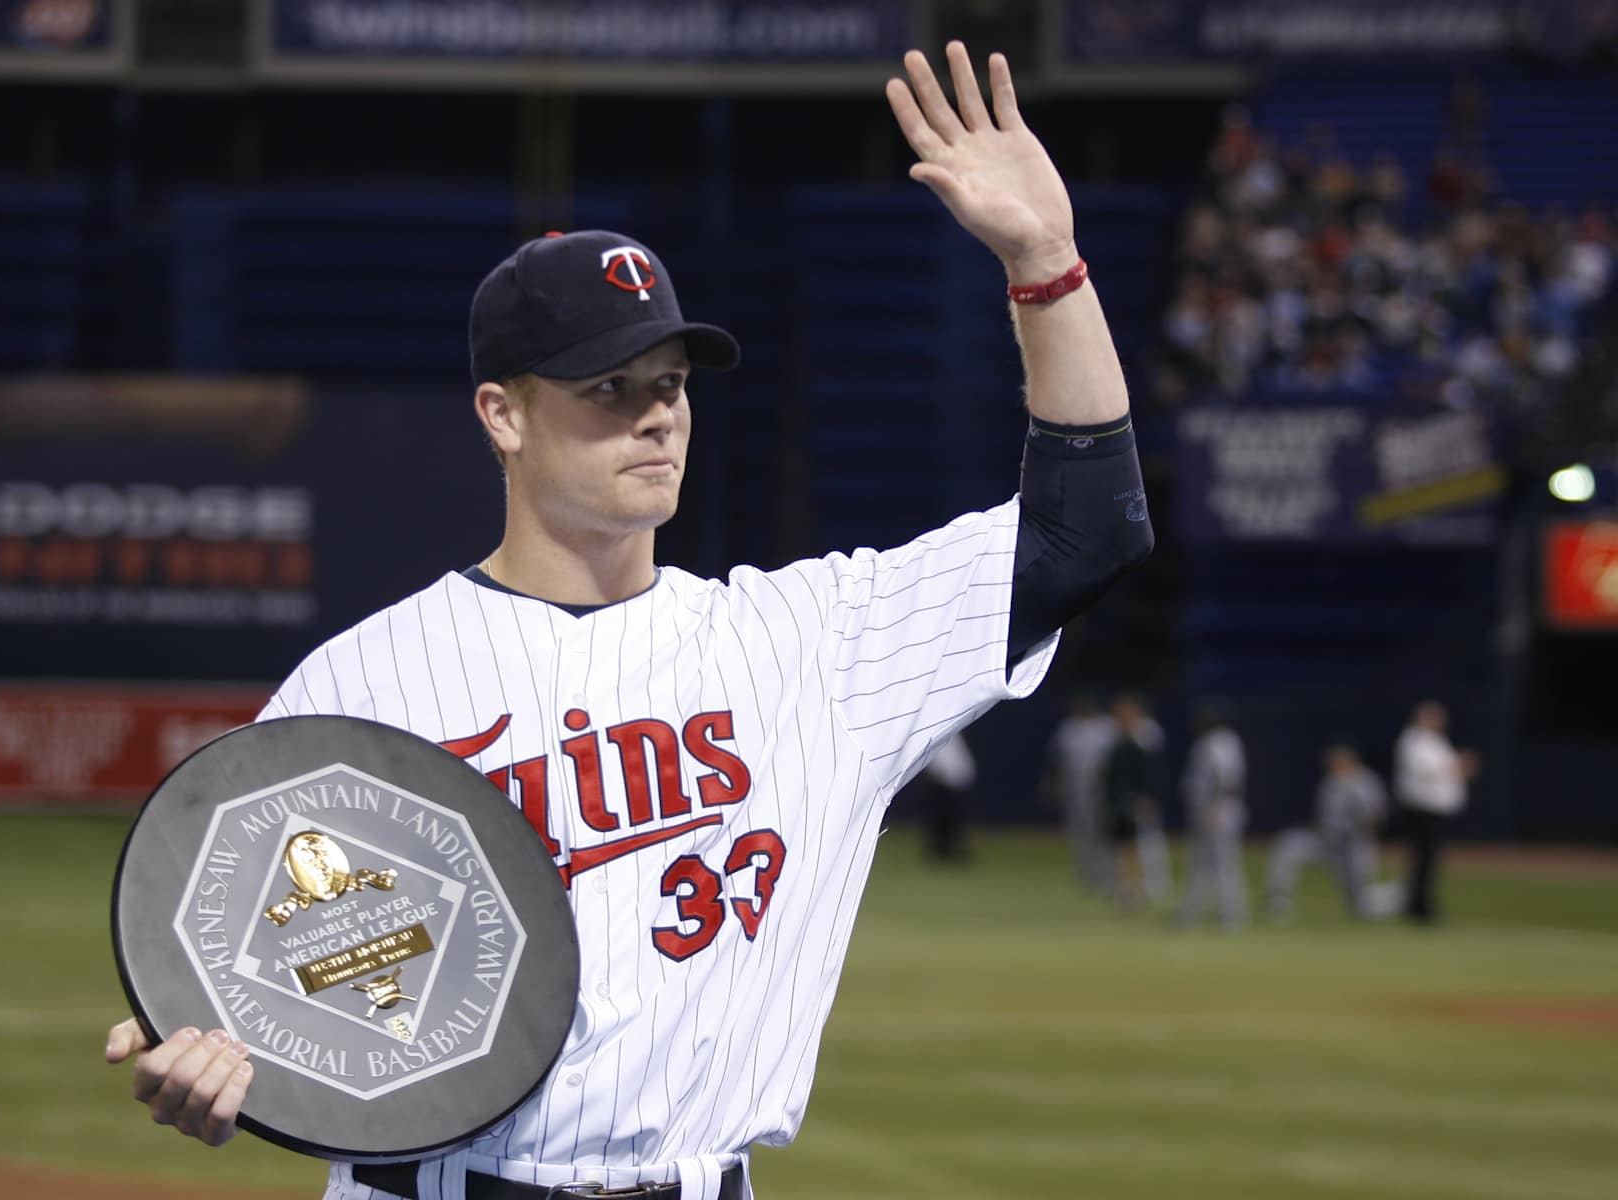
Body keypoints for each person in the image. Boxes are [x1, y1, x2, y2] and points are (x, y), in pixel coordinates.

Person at [104, 42, 1153, 1200]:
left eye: (671, 383)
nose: (655, 417)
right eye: (609, 388)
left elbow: (1082, 531)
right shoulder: (365, 683)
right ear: (502, 415)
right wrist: (195, 1064)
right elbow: (253, 984)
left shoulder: (811, 642)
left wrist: (1046, 261)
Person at [1265, 743, 1387, 920]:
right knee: (1289, 843)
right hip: (1327, 843)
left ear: (1349, 760)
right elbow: (1324, 817)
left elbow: (1376, 815)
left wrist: (1359, 830)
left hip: (1354, 847)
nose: (1331, 765)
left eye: (1336, 761)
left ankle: (1401, 897)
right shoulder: (1330, 782)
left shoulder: (1366, 781)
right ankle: (1278, 903)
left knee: (1360, 906)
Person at [1394, 700, 1478, 924]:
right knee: (1423, 859)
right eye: (1435, 717)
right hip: (1422, 809)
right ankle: (1419, 907)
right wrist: (1459, 765)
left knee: (1430, 860)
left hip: (1436, 810)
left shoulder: (1436, 741)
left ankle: (1420, 904)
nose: (1441, 721)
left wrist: (1458, 769)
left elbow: (1446, 772)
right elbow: (1428, 772)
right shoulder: (1413, 740)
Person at [1175, 706, 1248, 929]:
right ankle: (1191, 914)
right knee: (1205, 863)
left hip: (1217, 810)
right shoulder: (1226, 741)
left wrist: (1213, 807)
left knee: (1221, 864)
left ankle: (1230, 916)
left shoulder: (1217, 741)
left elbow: (1221, 776)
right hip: (1219, 808)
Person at [1041, 692, 1118, 892]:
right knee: (1078, 830)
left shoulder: (1107, 727)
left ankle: (1104, 871)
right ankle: (1084, 870)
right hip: (1074, 784)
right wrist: (1053, 784)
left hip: (1101, 785)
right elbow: (1057, 760)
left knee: (1102, 831)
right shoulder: (1069, 728)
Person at [1099, 694, 1161, 911]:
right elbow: (1109, 779)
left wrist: (1147, 801)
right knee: (1120, 849)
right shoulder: (1118, 744)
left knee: (1140, 849)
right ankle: (1125, 889)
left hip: (1135, 804)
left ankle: (1142, 888)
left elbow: (1146, 778)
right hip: (1119, 805)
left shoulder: (1139, 744)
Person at [919, 730, 978, 863]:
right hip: (947, 781)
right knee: (944, 821)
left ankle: (946, 850)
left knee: (948, 821)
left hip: (951, 782)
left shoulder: (944, 732)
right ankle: (942, 850)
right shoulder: (941, 732)